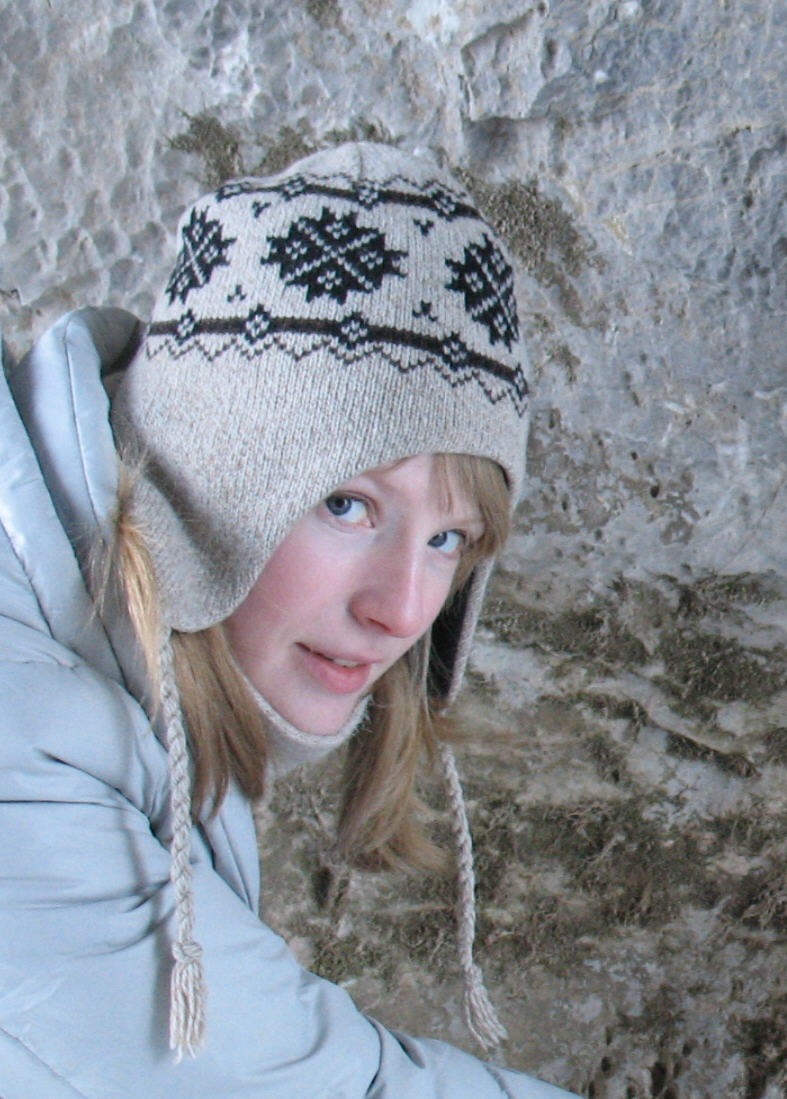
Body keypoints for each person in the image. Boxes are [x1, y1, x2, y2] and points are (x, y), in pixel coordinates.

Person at [0, 142, 579, 1097]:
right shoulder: (24, 732)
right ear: (207, 482)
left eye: (448, 538)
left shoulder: (119, 673)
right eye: (346, 504)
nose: (401, 609)